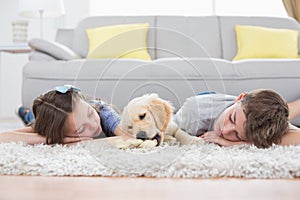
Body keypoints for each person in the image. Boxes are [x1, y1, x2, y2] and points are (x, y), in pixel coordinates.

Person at [0, 85, 131, 145]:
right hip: (47, 123)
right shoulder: (57, 124)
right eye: (81, 129)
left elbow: (128, 138)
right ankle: (26, 113)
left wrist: (82, 143)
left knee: (31, 118)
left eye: (90, 114)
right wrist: (54, 139)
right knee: (34, 122)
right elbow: (3, 137)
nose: (93, 125)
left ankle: (25, 112)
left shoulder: (103, 112)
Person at [174, 89, 300, 148]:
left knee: (282, 117)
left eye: (237, 135)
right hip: (207, 99)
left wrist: (240, 144)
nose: (225, 130)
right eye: (231, 119)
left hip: (236, 108)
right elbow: (167, 131)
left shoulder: (247, 117)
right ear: (240, 98)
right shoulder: (193, 114)